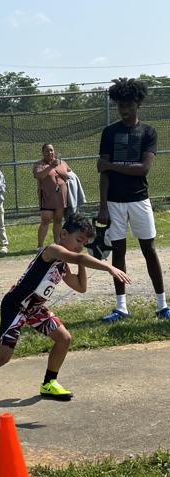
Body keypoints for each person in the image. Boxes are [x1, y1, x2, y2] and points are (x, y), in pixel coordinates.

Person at [0, 214, 131, 407]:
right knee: (4, 355)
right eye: (78, 240)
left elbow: (81, 287)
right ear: (64, 234)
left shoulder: (63, 266)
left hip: (34, 308)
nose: (81, 246)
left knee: (64, 339)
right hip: (16, 305)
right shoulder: (52, 250)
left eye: (84, 243)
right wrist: (108, 267)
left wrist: (82, 264)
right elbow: (79, 256)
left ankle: (49, 383)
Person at [97, 77, 170, 321]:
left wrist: (110, 165)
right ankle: (121, 307)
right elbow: (103, 174)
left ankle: (162, 305)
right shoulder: (109, 132)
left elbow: (143, 169)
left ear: (138, 104)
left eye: (128, 104)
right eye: (120, 105)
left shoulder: (148, 131)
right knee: (118, 252)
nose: (124, 109)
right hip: (114, 202)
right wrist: (103, 206)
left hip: (140, 199)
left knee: (149, 249)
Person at [33, 144, 72, 252]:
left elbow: (69, 173)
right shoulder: (39, 164)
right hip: (47, 197)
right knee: (46, 220)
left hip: (60, 196)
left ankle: (57, 243)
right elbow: (39, 175)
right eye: (47, 151)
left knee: (58, 220)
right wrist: (51, 166)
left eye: (51, 150)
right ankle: (40, 246)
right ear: (43, 152)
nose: (50, 152)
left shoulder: (62, 162)